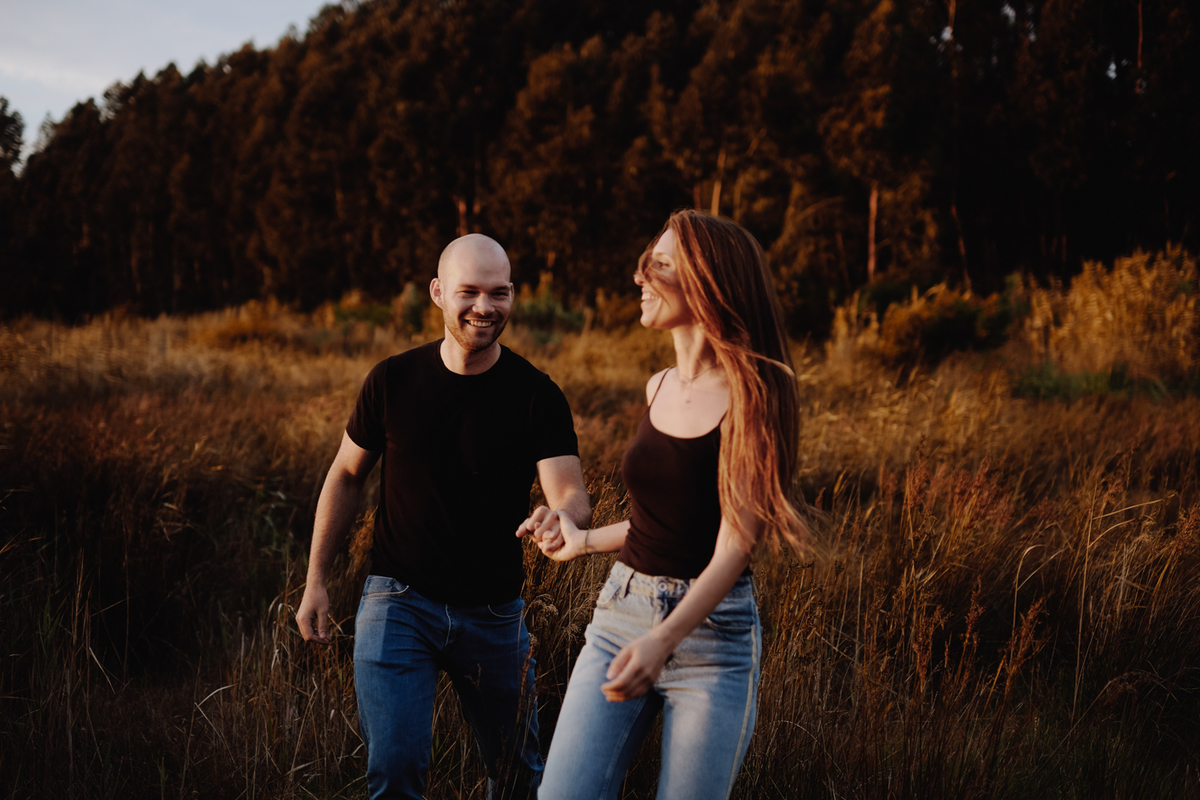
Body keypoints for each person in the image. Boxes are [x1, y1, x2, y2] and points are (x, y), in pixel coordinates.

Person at [519, 210, 808, 800]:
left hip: (713, 640)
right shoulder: (658, 386)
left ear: (706, 280)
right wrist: (583, 541)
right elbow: (665, 522)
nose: (639, 277)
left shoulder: (755, 393)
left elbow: (734, 542)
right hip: (622, 614)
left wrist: (664, 639)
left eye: (659, 265)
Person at [296, 233, 591, 800]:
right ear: (437, 293)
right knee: (397, 770)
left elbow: (570, 494)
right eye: (470, 292)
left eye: (499, 293)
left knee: (516, 776)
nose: (486, 307)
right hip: (398, 602)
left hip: (496, 615)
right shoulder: (392, 380)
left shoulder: (536, 395)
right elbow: (346, 476)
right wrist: (315, 581)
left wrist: (560, 517)